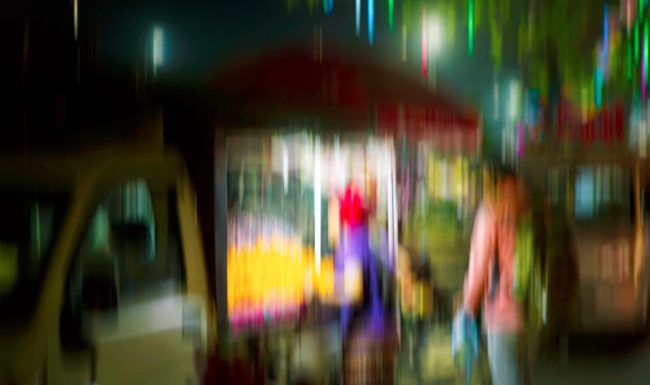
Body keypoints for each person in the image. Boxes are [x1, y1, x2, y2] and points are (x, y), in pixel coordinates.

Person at [461, 167, 531, 385]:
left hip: (502, 313)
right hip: (528, 310)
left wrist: (467, 308)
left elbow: (479, 267)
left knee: (508, 379)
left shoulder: (490, 211)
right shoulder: (524, 207)